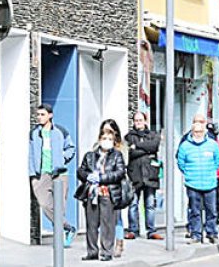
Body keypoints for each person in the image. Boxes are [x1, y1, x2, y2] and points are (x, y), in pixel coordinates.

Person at [75, 122, 127, 262]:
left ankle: (106, 252)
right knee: (91, 224)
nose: (107, 141)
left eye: (110, 139)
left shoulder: (117, 156)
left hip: (108, 193)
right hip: (91, 193)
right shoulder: (90, 155)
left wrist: (102, 178)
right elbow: (81, 171)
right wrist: (88, 176)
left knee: (107, 224)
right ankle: (92, 251)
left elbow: (120, 172)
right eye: (104, 138)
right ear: (99, 139)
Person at [28, 104, 77, 248]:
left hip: (59, 174)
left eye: (42, 114)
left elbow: (71, 148)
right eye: (38, 114)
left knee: (59, 206)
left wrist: (62, 159)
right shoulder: (33, 133)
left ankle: (60, 239)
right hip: (40, 174)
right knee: (44, 204)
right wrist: (32, 173)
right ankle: (68, 227)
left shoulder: (60, 131)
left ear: (50, 115)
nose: (39, 117)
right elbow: (30, 154)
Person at [176, 114, 219, 245]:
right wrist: (189, 174)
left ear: (205, 131)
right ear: (192, 131)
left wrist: (209, 172)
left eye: (200, 131)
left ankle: (212, 234)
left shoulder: (212, 145)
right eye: (195, 131)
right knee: (194, 211)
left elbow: (217, 161)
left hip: (210, 183)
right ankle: (196, 235)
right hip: (192, 183)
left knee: (211, 211)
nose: (198, 134)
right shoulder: (185, 146)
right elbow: (181, 163)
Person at [123, 111, 163, 241]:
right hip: (135, 174)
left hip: (150, 174)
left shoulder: (153, 134)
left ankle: (151, 231)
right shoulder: (129, 137)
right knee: (133, 203)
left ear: (145, 121)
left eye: (140, 120)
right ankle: (133, 230)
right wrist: (147, 150)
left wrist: (138, 146)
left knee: (150, 204)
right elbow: (131, 153)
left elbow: (155, 146)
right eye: (136, 120)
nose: (138, 123)